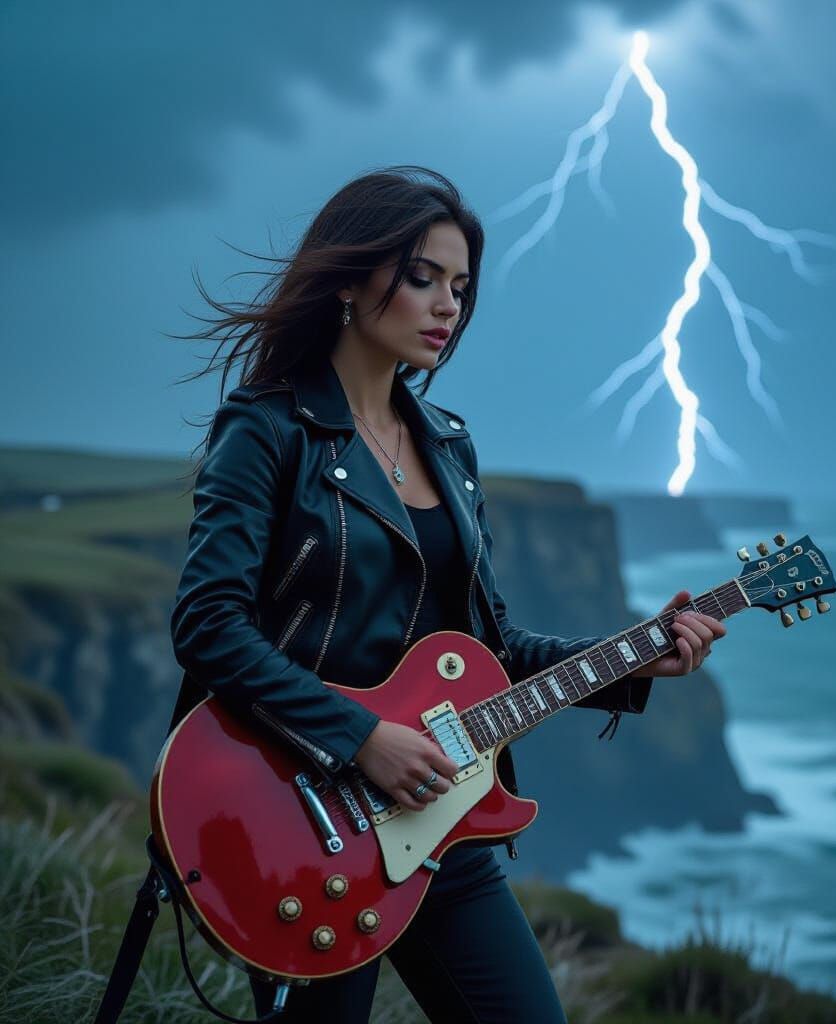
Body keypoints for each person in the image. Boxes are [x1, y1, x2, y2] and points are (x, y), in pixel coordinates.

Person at [170, 165, 727, 1023]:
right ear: (351, 281)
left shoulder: (451, 449)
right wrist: (361, 738)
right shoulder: (268, 428)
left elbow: (492, 648)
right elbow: (207, 627)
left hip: (442, 816)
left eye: (461, 288)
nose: (447, 307)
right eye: (423, 277)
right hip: (302, 817)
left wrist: (641, 657)